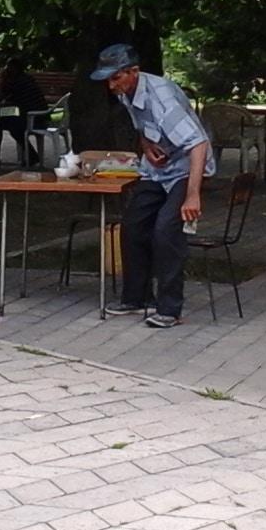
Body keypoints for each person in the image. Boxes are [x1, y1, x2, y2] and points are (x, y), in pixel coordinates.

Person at [91, 44, 211, 330]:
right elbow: (141, 125)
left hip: (187, 169)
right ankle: (137, 297)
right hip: (158, 170)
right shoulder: (127, 93)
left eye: (116, 78)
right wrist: (146, 146)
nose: (111, 85)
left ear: (134, 72)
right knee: (133, 224)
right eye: (108, 79)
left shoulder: (162, 98)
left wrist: (192, 195)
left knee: (166, 229)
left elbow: (198, 144)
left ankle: (170, 310)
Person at [0, 59, 49, 166]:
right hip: (41, 118)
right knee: (12, 126)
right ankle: (31, 156)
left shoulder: (15, 82)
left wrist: (2, 80)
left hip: (33, 119)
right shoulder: (28, 79)